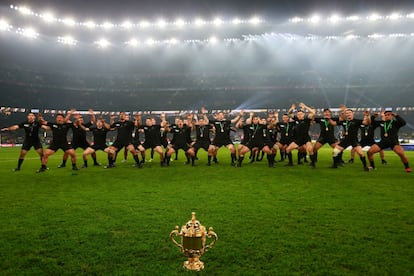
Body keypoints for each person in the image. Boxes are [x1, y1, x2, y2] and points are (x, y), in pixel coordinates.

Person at [285, 103, 317, 168]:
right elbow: (288, 114)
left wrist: (305, 106)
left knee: (310, 150)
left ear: (304, 115)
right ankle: (290, 163)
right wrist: (292, 109)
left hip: (306, 138)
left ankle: (313, 164)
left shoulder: (307, 119)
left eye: (301, 114)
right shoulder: (296, 119)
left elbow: (313, 113)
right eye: (298, 114)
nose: (299, 115)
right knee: (287, 149)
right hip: (298, 139)